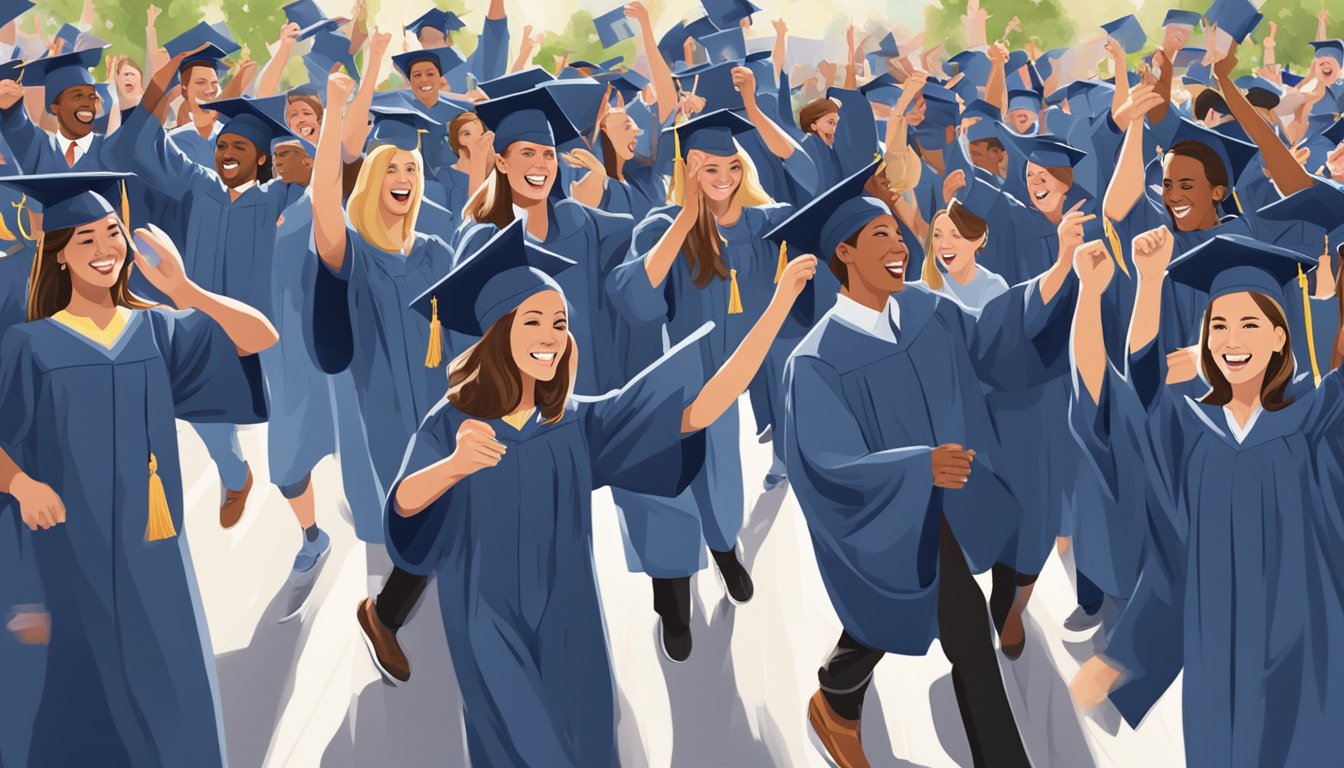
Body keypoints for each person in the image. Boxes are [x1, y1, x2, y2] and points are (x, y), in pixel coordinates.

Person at [385, 217, 818, 767]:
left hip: (572, 617)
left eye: (560, 324)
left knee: (588, 741)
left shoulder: (573, 423)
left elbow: (700, 406)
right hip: (486, 618)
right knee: (527, 748)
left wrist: (778, 304)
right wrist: (451, 467)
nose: (550, 336)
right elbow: (403, 505)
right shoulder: (451, 425)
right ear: (498, 330)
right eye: (533, 321)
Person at [774, 162, 1077, 768]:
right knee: (967, 636)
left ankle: (836, 694)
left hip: (953, 502)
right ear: (844, 252)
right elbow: (826, 463)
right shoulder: (815, 362)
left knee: (894, 611)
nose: (902, 247)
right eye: (881, 236)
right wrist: (916, 468)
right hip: (896, 512)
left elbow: (996, 335)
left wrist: (1062, 267)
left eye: (898, 235)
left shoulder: (927, 312)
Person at [0, 171, 277, 767]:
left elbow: (260, 337)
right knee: (70, 705)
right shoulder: (29, 345)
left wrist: (185, 289)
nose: (106, 250)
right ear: (59, 258)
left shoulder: (156, 330)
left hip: (154, 557)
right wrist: (20, 483)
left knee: (172, 702)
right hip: (65, 555)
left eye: (112, 234)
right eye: (86, 241)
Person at [1068, 229, 1344, 768]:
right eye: (1218, 325)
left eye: (1249, 325)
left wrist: (1328, 303)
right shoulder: (1188, 429)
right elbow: (1119, 395)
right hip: (1219, 657)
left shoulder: (1316, 420)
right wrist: (1137, 285)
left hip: (1309, 647)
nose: (1231, 340)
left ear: (1279, 338)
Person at [105, 50, 305, 530]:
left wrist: (305, 165)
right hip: (194, 321)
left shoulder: (279, 196)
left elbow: (319, 191)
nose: (228, 154)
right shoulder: (197, 185)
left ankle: (244, 478)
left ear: (262, 157)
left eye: (240, 147)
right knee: (198, 415)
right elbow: (133, 148)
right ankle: (231, 476)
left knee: (223, 420)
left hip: (249, 329)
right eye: (223, 146)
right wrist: (159, 88)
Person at [309, 72, 455, 684]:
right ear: (372, 181)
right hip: (391, 406)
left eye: (413, 172)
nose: (404, 181)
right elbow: (323, 204)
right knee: (428, 504)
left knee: (464, 496)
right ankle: (385, 612)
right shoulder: (353, 253)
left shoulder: (437, 252)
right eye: (391, 170)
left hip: (448, 398)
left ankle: (395, 608)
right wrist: (338, 108)